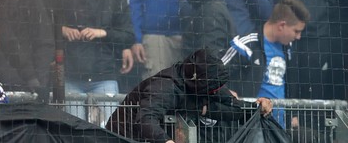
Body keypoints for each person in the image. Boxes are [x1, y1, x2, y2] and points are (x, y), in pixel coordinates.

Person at [107, 49, 273, 143]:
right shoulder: (165, 86)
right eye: (215, 88)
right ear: (200, 80)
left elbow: (230, 105)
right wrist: (167, 142)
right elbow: (146, 119)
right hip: (123, 138)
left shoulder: (206, 82)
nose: (219, 91)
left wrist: (257, 108)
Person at [60, 0, 133, 121]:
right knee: (73, 131)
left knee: (109, 129)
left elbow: (128, 34)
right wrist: (62, 29)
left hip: (104, 73)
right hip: (73, 73)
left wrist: (103, 33)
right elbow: (48, 22)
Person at [222, 0, 310, 128]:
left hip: (280, 127)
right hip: (251, 127)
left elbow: (291, 82)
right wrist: (227, 93)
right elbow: (213, 73)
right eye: (296, 31)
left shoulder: (288, 48)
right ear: (282, 25)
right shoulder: (246, 44)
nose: (298, 37)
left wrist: (293, 114)